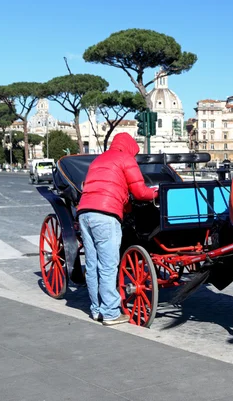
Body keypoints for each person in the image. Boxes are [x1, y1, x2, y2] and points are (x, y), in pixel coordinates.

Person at [77, 133, 158, 326]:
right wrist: (157, 192)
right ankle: (111, 312)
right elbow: (139, 192)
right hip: (105, 214)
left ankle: (97, 310)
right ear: (130, 147)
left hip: (84, 213)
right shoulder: (125, 159)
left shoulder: (98, 160)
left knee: (92, 264)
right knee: (108, 265)